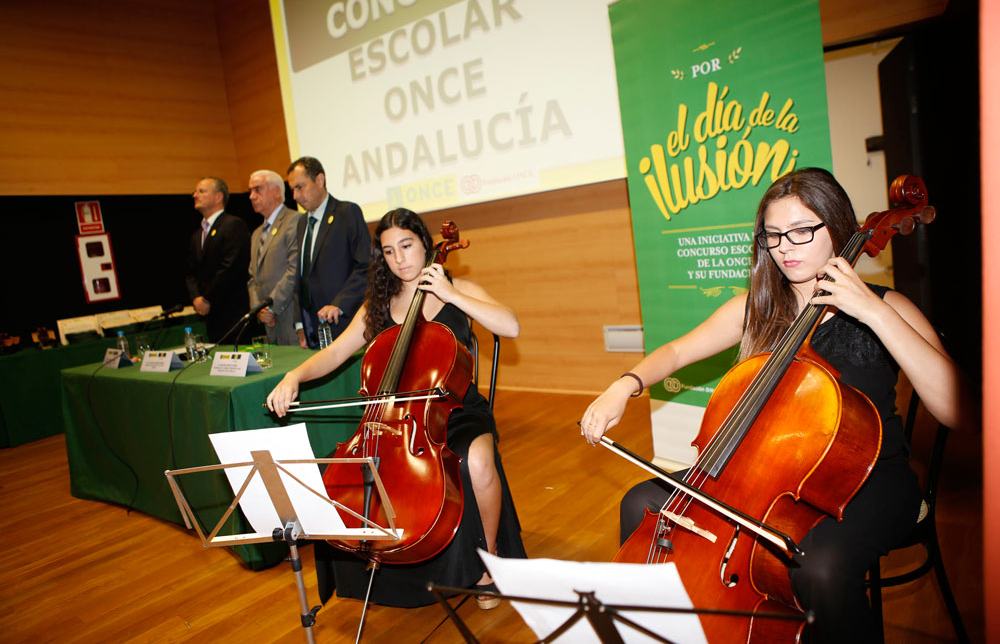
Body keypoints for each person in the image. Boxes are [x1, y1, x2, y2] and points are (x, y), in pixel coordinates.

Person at [580, 168, 972, 643]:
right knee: (643, 503)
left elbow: (961, 411)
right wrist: (625, 384)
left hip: (866, 479)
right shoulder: (758, 308)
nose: (786, 247)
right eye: (773, 235)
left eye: (802, 231)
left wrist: (872, 311)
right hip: (765, 474)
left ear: (839, 229)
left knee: (819, 567)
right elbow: (678, 352)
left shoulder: (889, 307)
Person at [267, 208, 526, 608]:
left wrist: (452, 294)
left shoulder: (461, 287)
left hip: (454, 408)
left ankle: (487, 565)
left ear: (425, 244)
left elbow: (510, 326)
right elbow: (337, 351)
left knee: (476, 461)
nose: (400, 258)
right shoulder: (379, 303)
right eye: (388, 251)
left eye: (406, 246)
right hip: (398, 419)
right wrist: (294, 377)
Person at [287, 156, 370, 348]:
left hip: (343, 322)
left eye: (300, 187)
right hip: (312, 329)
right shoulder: (301, 223)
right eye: (292, 189)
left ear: (319, 180)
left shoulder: (347, 213)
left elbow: (366, 265)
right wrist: (300, 323)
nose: (295, 196)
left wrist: (339, 304)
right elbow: (302, 275)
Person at [185, 176, 250, 343]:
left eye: (202, 191)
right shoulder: (197, 235)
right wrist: (196, 298)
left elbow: (231, 267)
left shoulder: (233, 225)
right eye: (195, 191)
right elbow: (191, 272)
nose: (195, 195)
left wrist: (207, 298)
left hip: (233, 311)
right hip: (211, 315)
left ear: (219, 196)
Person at [247, 169, 300, 345]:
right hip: (269, 325)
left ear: (277, 191)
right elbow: (252, 278)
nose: (252, 196)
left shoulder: (295, 220)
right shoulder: (256, 234)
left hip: (290, 319)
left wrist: (271, 306)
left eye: (258, 189)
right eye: (250, 191)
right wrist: (259, 310)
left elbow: (295, 269)